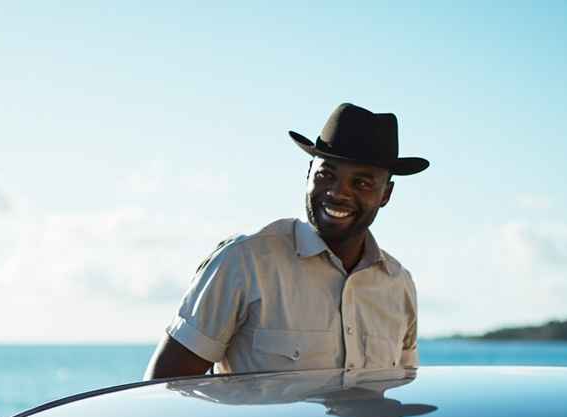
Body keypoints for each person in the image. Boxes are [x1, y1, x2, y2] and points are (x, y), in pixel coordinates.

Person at [144, 103, 428, 380]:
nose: (338, 192)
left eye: (362, 183)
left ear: (386, 195)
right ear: (308, 174)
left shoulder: (399, 285)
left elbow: (400, 387)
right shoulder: (243, 263)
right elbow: (161, 392)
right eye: (326, 174)